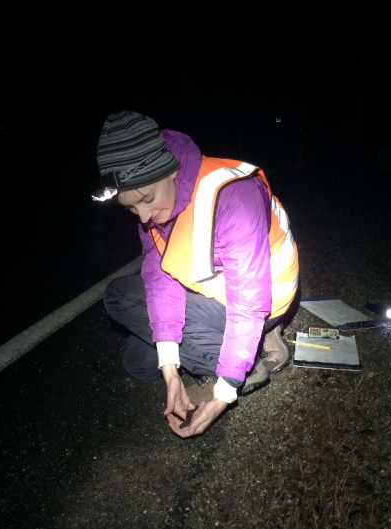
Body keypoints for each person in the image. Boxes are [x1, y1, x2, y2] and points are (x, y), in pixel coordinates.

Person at [93, 111, 300, 438]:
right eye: (131, 209)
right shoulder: (156, 210)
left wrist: (224, 392)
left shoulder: (232, 194)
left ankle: (251, 358)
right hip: (215, 294)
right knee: (139, 362)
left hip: (263, 301)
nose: (144, 216)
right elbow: (161, 281)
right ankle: (238, 348)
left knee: (118, 296)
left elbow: (248, 302)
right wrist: (171, 372)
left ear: (172, 171)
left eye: (147, 199)